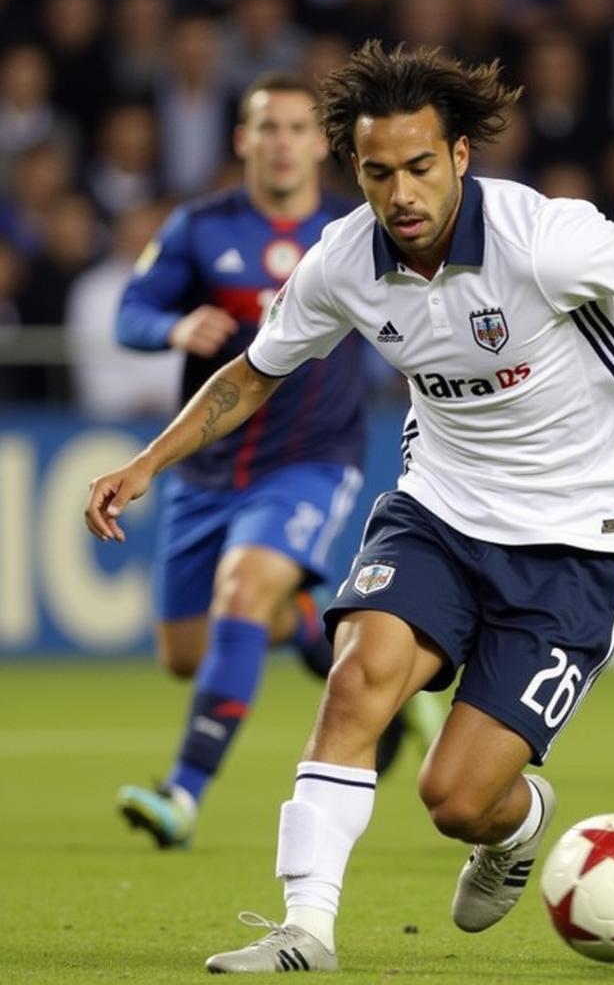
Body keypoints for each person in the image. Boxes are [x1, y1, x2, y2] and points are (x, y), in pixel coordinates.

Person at [85, 42, 614, 973]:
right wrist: (148, 460)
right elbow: (252, 373)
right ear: (353, 168)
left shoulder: (544, 237)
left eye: (421, 167)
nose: (401, 194)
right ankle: (305, 929)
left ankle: (518, 829)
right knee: (357, 681)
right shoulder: (342, 260)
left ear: (460, 158)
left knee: (456, 798)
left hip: (577, 538)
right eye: (379, 171)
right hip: (439, 508)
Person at [111, 71, 419, 851]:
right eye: (266, 128)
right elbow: (130, 312)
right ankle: (331, 637)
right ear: (243, 140)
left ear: (324, 144)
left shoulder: (356, 232)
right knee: (188, 652)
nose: (282, 142)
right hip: (208, 468)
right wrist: (174, 331)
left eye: (296, 128)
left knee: (243, 592)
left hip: (312, 458)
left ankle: (182, 791)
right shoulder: (198, 226)